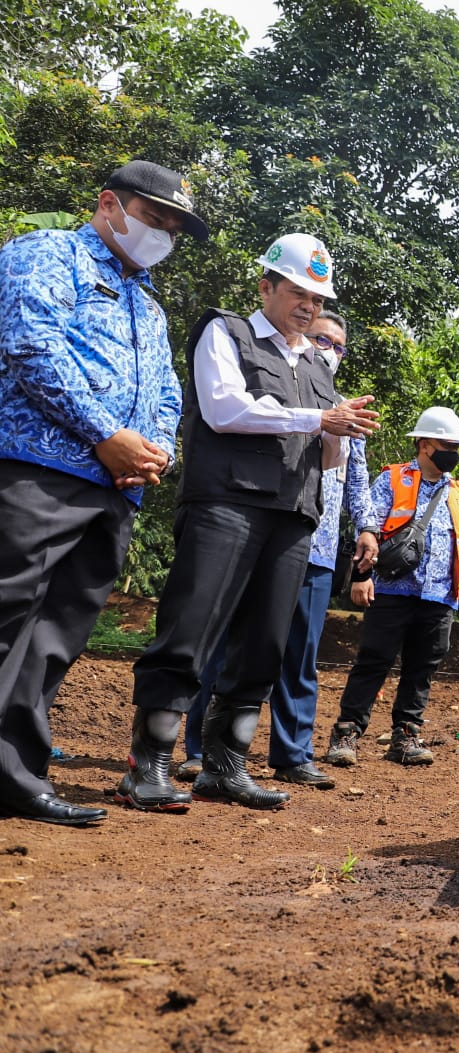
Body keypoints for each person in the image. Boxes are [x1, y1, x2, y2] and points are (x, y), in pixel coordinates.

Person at [122, 234, 378, 813]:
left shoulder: (316, 363)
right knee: (190, 633)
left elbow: (327, 455)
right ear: (266, 287)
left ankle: (224, 767)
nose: (309, 305)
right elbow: (222, 408)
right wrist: (320, 416)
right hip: (226, 506)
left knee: (264, 643)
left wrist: (341, 430)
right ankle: (149, 766)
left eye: (317, 297)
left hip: (292, 516)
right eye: (297, 292)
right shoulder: (227, 333)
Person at [0, 161, 207, 826]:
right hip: (40, 470)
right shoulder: (47, 254)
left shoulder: (148, 304)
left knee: (53, 639)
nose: (164, 234)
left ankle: (16, 774)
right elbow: (31, 347)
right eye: (156, 218)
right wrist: (105, 434)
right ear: (109, 204)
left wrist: (154, 450)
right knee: (7, 620)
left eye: (175, 227)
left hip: (114, 492)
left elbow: (168, 391)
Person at [173, 312, 380, 788]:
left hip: (316, 547)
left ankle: (293, 753)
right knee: (223, 644)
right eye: (321, 339)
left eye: (338, 346)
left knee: (296, 656)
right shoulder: (268, 380)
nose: (329, 349)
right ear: (300, 340)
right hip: (254, 528)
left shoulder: (344, 408)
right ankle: (200, 750)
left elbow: (354, 475)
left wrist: (367, 527)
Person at [324, 407, 459, 768]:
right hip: (393, 590)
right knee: (373, 661)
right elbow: (368, 528)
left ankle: (406, 735)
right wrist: (361, 577)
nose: (453, 452)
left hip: (440, 595)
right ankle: (347, 733)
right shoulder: (393, 480)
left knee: (422, 667)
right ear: (425, 445)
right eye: (447, 444)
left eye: (457, 446)